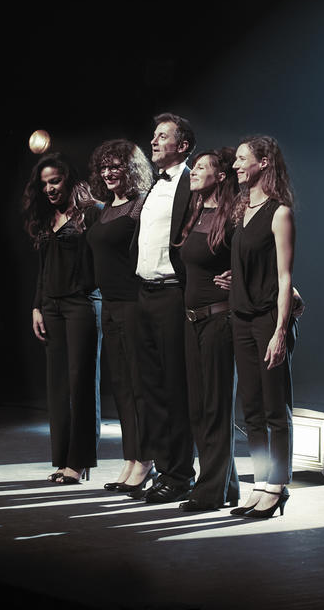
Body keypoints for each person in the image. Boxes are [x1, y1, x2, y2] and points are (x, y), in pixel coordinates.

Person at [22, 153, 101, 484]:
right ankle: (63, 459)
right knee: (57, 385)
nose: (49, 189)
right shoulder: (46, 217)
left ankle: (79, 461)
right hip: (51, 307)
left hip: (82, 304)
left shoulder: (91, 213)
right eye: (44, 184)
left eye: (55, 181)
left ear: (69, 179)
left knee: (81, 382)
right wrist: (37, 306)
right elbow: (43, 268)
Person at [229, 136, 297, 519]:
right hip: (240, 319)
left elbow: (285, 277)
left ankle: (278, 485)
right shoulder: (241, 210)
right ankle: (260, 482)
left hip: (268, 319)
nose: (236, 165)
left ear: (264, 162)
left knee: (275, 409)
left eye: (242, 158)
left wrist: (280, 331)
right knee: (251, 409)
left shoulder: (279, 212)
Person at [130, 113, 196, 504]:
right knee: (151, 389)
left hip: (173, 294)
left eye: (162, 136)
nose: (153, 142)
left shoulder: (191, 182)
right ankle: (163, 469)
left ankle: (180, 474)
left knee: (174, 389)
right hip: (144, 294)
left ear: (182, 146)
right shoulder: (154, 184)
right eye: (153, 136)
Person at [86, 139, 156, 494]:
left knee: (140, 386)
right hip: (109, 304)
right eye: (104, 167)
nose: (108, 172)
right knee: (122, 388)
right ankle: (131, 457)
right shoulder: (105, 208)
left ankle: (146, 459)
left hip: (133, 303)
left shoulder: (140, 205)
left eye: (116, 166)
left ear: (131, 169)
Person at [174, 148, 240, 512]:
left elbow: (256, 258)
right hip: (192, 321)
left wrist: (239, 278)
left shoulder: (233, 216)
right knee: (199, 408)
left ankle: (210, 489)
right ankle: (227, 485)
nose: (194, 172)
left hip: (219, 321)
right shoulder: (197, 212)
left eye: (202, 167)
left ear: (221, 176)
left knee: (215, 408)